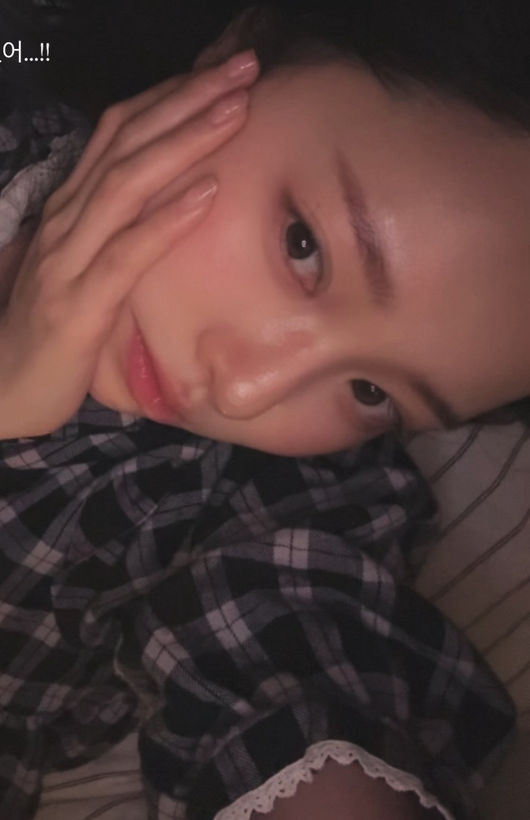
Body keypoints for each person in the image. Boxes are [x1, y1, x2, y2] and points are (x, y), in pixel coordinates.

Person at [0, 1, 527, 818]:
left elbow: (300, 679)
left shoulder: (261, 501)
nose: (248, 390)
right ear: (239, 46)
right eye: (303, 246)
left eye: (371, 392)